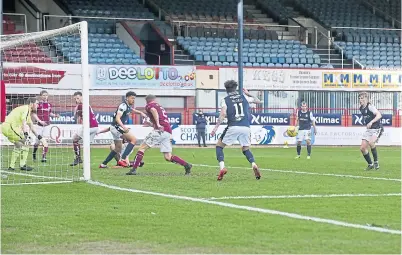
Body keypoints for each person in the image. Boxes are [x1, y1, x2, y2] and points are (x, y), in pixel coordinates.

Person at [126, 94, 192, 175]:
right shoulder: (160, 107)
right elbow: (160, 118)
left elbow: (154, 111)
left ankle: (133, 170)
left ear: (147, 101)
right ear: (154, 99)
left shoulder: (149, 105)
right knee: (168, 157)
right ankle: (187, 165)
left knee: (142, 148)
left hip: (159, 131)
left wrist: (157, 124)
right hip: (168, 132)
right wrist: (151, 124)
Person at [210, 81, 262, 181]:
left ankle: (222, 168)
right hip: (246, 127)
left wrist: (216, 127)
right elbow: (258, 101)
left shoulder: (225, 100)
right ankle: (253, 164)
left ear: (226, 90)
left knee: (219, 146)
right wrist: (248, 93)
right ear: (236, 88)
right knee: (245, 149)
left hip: (233, 126)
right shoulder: (244, 97)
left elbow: (223, 114)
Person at [99, 91, 146, 168]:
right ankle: (123, 159)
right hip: (117, 127)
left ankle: (103, 164)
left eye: (134, 98)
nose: (133, 100)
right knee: (133, 139)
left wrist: (141, 113)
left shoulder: (127, 106)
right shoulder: (123, 105)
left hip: (113, 128)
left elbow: (132, 110)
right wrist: (124, 127)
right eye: (132, 98)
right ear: (127, 98)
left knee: (118, 148)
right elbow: (117, 118)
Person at [1, 97, 42, 171]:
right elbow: (24, 123)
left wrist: (39, 137)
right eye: (37, 103)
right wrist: (26, 135)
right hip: (10, 127)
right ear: (31, 104)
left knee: (18, 144)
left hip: (6, 127)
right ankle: (22, 165)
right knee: (27, 141)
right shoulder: (26, 108)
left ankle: (11, 167)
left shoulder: (26, 111)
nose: (38, 105)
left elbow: (31, 127)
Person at [69, 91, 99, 166]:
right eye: (75, 99)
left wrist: (76, 110)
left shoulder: (80, 106)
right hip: (95, 126)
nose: (76, 100)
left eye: (78, 98)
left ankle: (78, 158)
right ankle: (87, 166)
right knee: (87, 145)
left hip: (88, 127)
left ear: (82, 97)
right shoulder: (86, 104)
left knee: (75, 139)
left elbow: (76, 117)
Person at [31, 90, 60, 162]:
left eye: (46, 95)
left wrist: (55, 115)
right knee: (37, 142)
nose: (45, 96)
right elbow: (33, 114)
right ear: (41, 96)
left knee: (45, 141)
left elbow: (50, 113)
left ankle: (44, 157)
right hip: (39, 126)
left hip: (47, 125)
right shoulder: (38, 104)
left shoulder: (49, 105)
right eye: (43, 95)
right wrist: (40, 121)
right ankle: (34, 154)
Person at [358, 92, 383, 170]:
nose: (360, 100)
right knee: (362, 148)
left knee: (371, 142)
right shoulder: (361, 108)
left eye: (362, 98)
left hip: (377, 128)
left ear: (366, 99)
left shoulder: (370, 106)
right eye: (359, 98)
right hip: (369, 130)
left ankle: (376, 162)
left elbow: (379, 115)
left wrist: (371, 122)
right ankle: (370, 164)